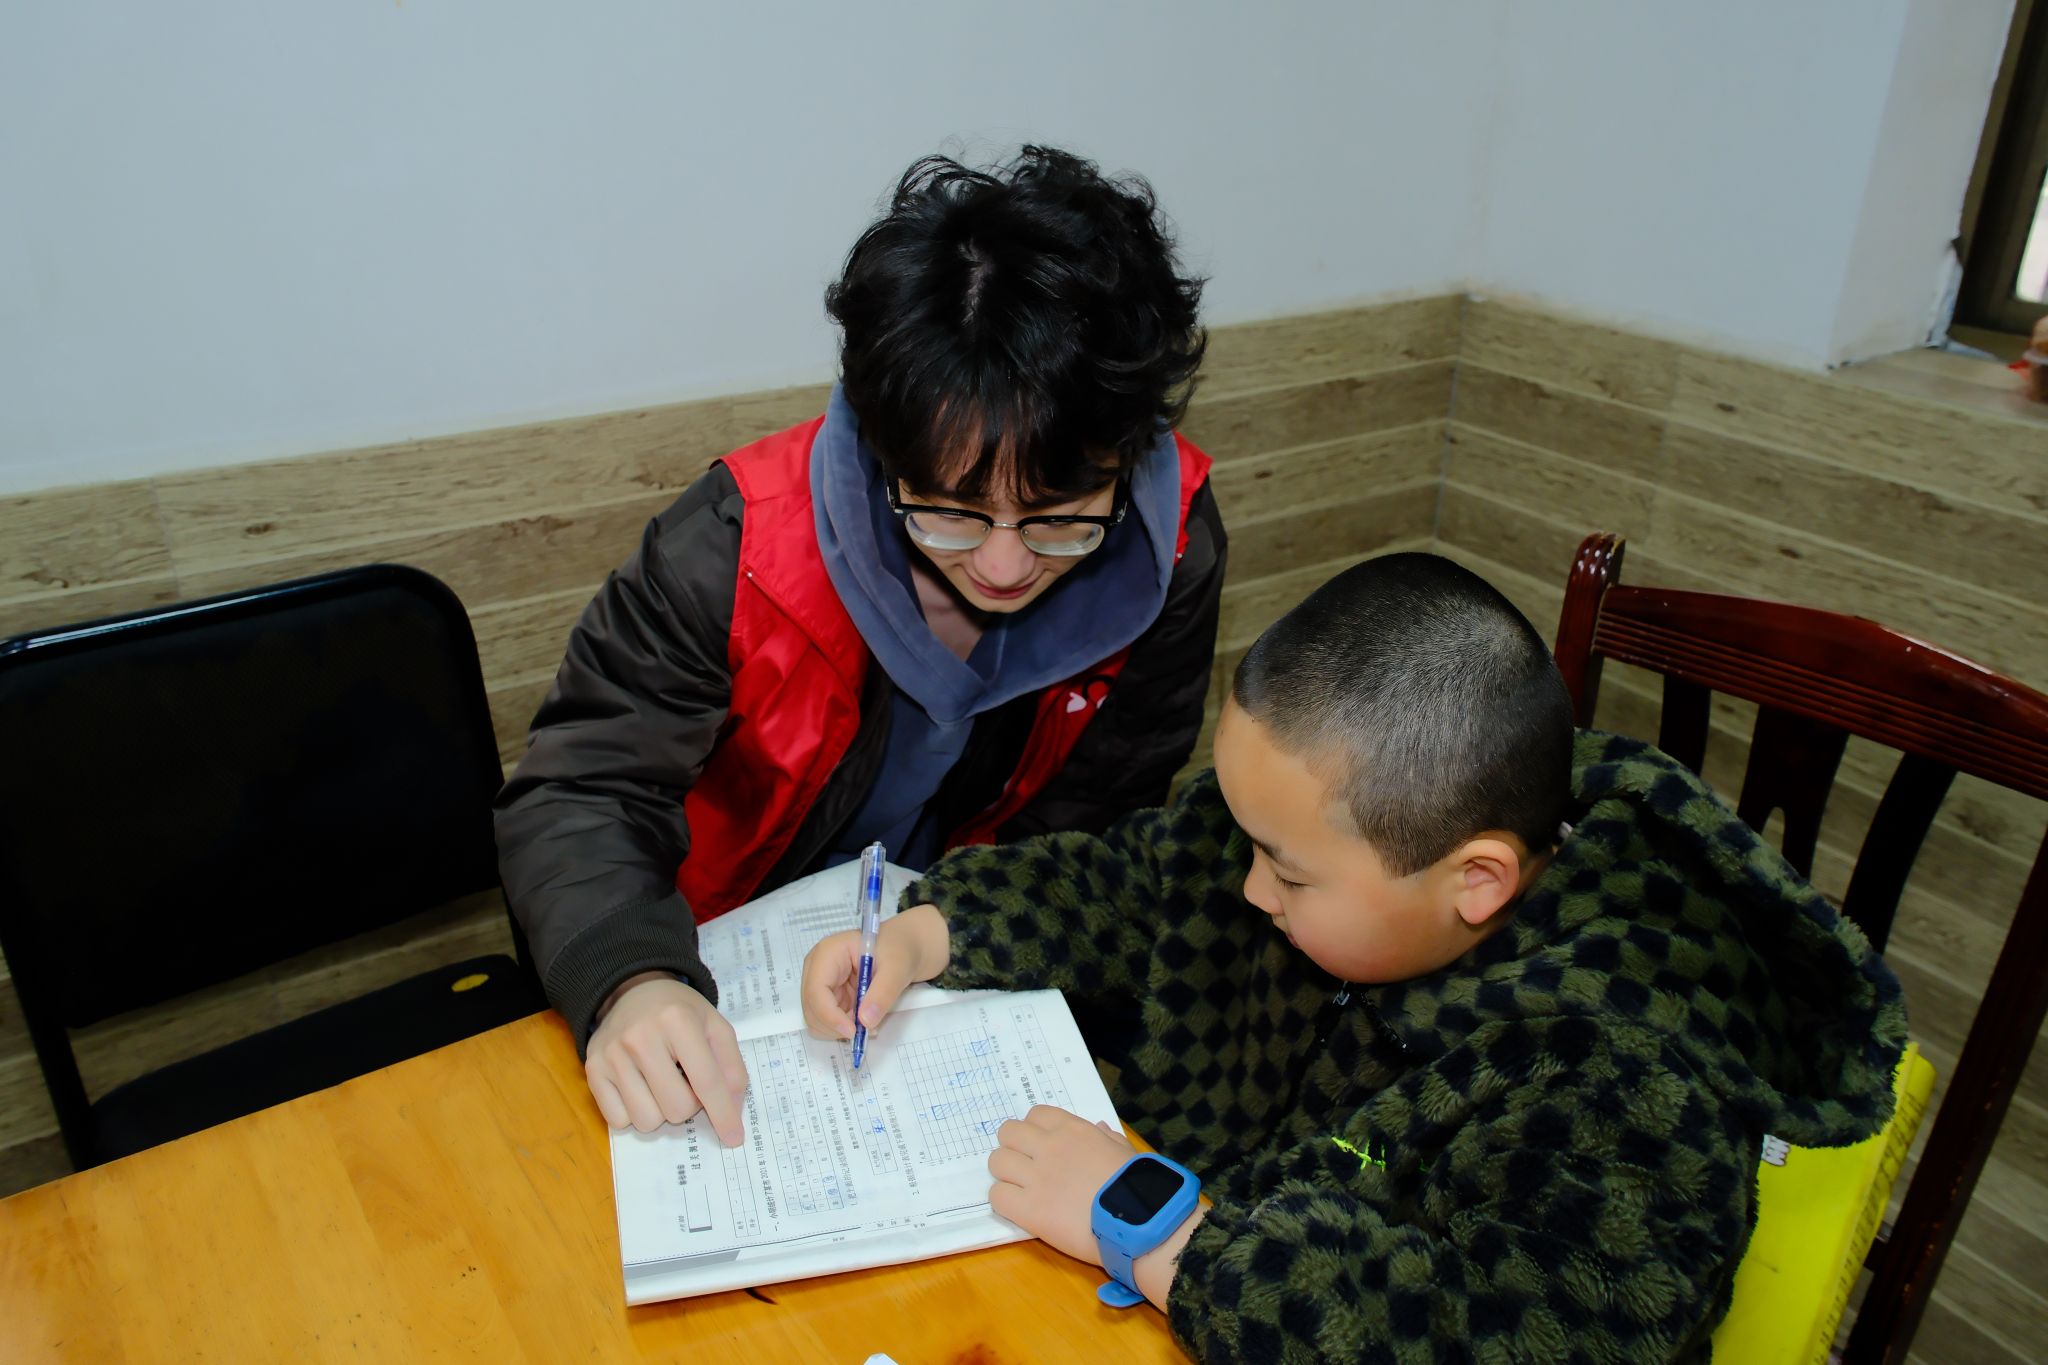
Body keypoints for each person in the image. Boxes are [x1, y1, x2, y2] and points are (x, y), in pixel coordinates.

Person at [801, 552, 1906, 1362]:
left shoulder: (1627, 1081)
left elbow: (1496, 1339)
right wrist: (925, 935)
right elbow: (1134, 881)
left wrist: (1161, 1238)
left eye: (1285, 875)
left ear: (1476, 881)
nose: (1248, 889)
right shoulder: (1325, 829)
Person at [495, 145, 1225, 1146]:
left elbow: (1098, 824)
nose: (1003, 566)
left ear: (1128, 458)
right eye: (952, 512)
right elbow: (582, 788)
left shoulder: (1165, 551)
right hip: (714, 961)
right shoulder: (738, 547)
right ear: (885, 453)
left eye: (1060, 516)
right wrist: (631, 975)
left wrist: (962, 940)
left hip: (944, 958)